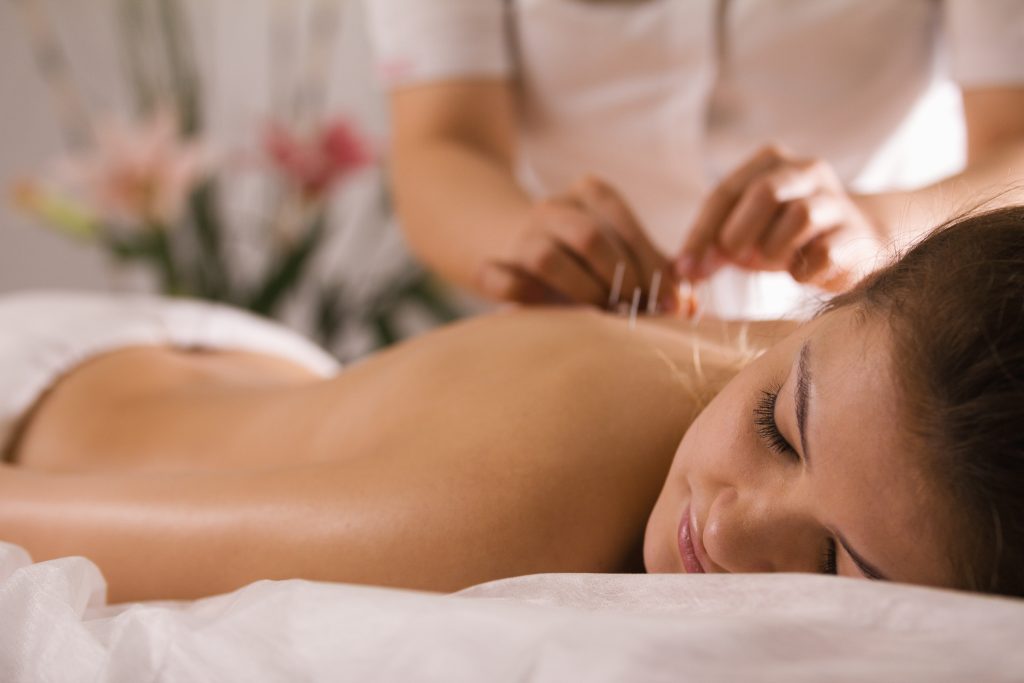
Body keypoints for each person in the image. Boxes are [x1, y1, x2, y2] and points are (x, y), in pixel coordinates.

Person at [0, 206, 1021, 604]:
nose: (731, 522)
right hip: (41, 392)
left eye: (835, 561)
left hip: (253, 372)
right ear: (825, 305)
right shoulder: (488, 515)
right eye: (776, 425)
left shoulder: (862, 377)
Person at [364, 0, 1024, 318]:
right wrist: (526, 239)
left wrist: (877, 229)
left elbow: (1013, 145)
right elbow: (442, 142)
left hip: (879, 320)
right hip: (588, 343)